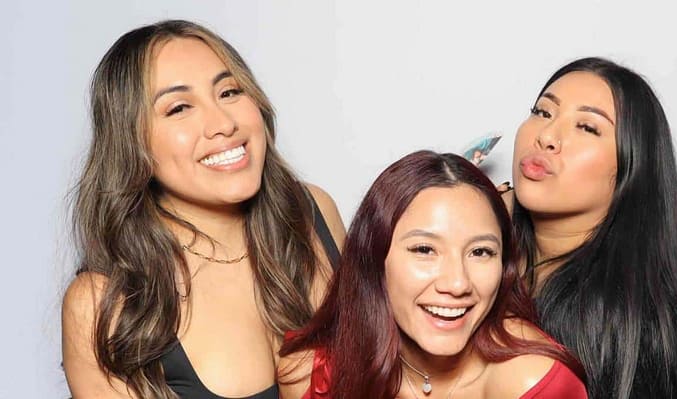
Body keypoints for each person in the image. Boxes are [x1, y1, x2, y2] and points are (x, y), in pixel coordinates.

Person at [61, 20, 345, 399]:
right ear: (132, 145)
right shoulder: (101, 304)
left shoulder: (314, 214)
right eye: (179, 108)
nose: (223, 124)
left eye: (229, 91)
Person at [508, 57, 677, 398]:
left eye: (587, 127)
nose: (547, 137)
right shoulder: (489, 258)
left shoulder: (605, 317)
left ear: (629, 168)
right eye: (543, 112)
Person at [279, 151, 587, 399]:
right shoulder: (309, 376)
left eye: (480, 252)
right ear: (374, 259)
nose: (457, 283)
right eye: (425, 250)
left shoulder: (534, 382)